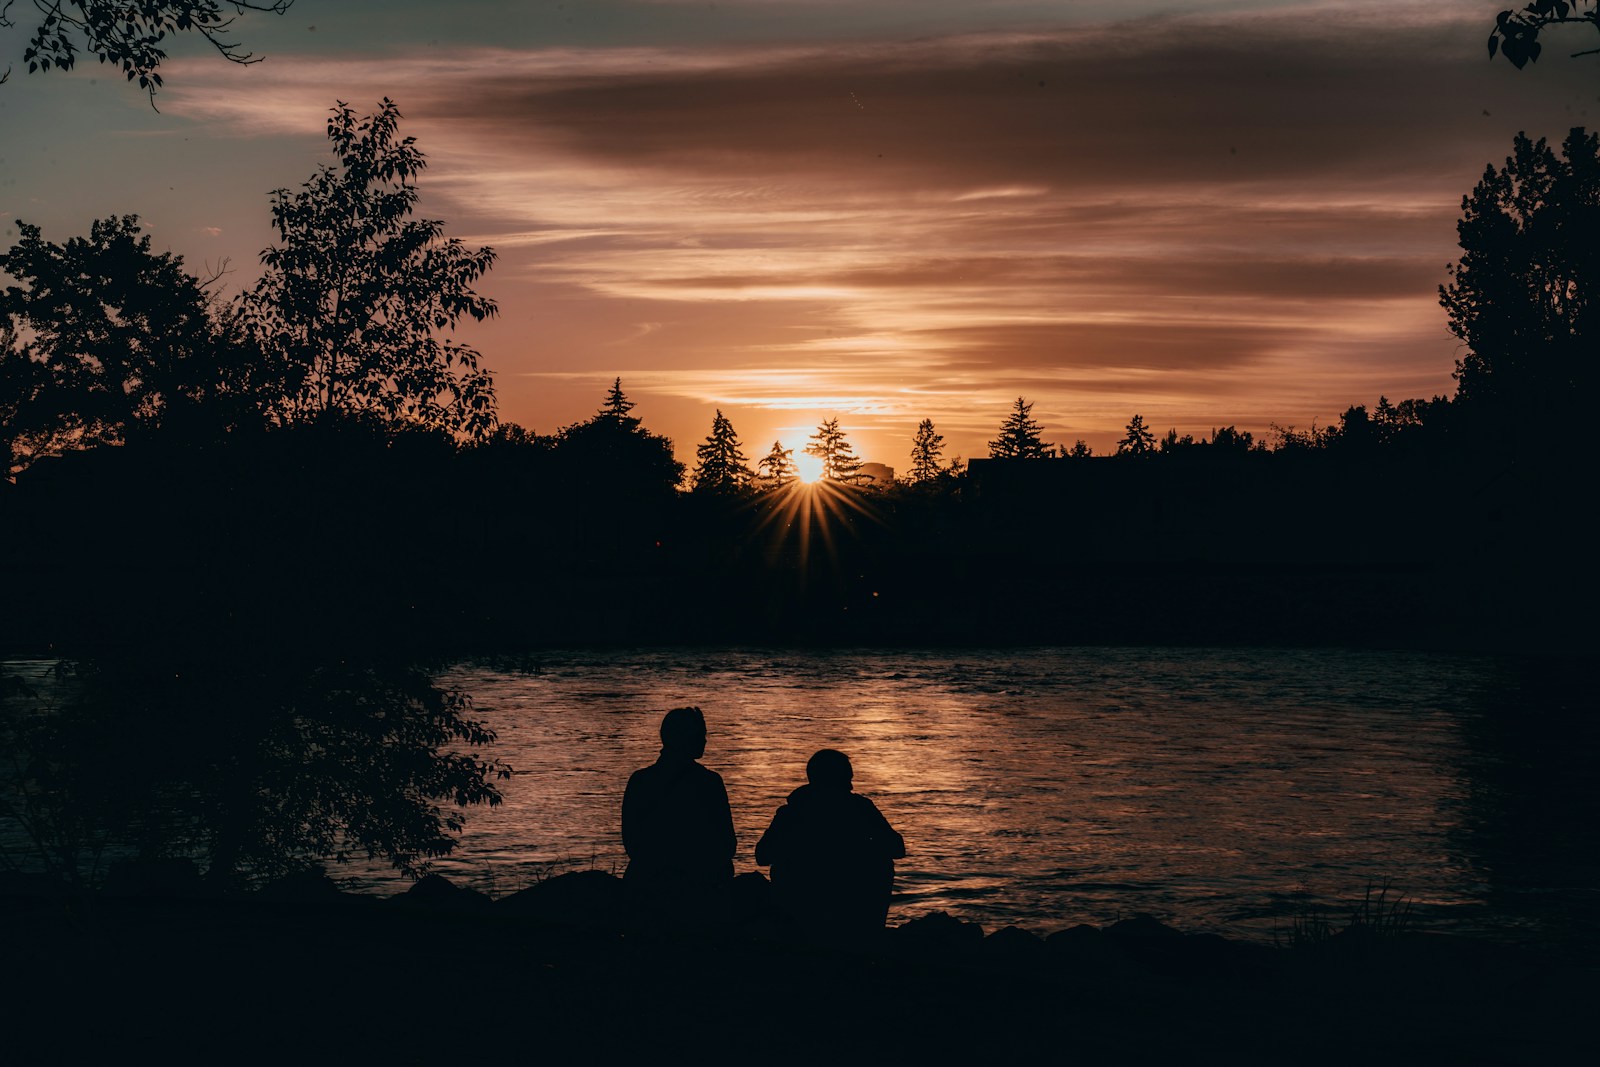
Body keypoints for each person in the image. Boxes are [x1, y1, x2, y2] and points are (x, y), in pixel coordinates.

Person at [755, 748, 905, 942]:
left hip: (801, 906)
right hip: (849, 905)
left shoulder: (791, 812)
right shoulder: (861, 809)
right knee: (882, 862)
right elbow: (896, 848)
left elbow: (762, 855)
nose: (851, 786)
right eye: (847, 779)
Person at [621, 706, 736, 925]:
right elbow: (727, 845)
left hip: (648, 886)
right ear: (687, 738)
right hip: (698, 891)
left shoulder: (640, 780)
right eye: (701, 735)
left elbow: (631, 843)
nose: (705, 741)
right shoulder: (709, 782)